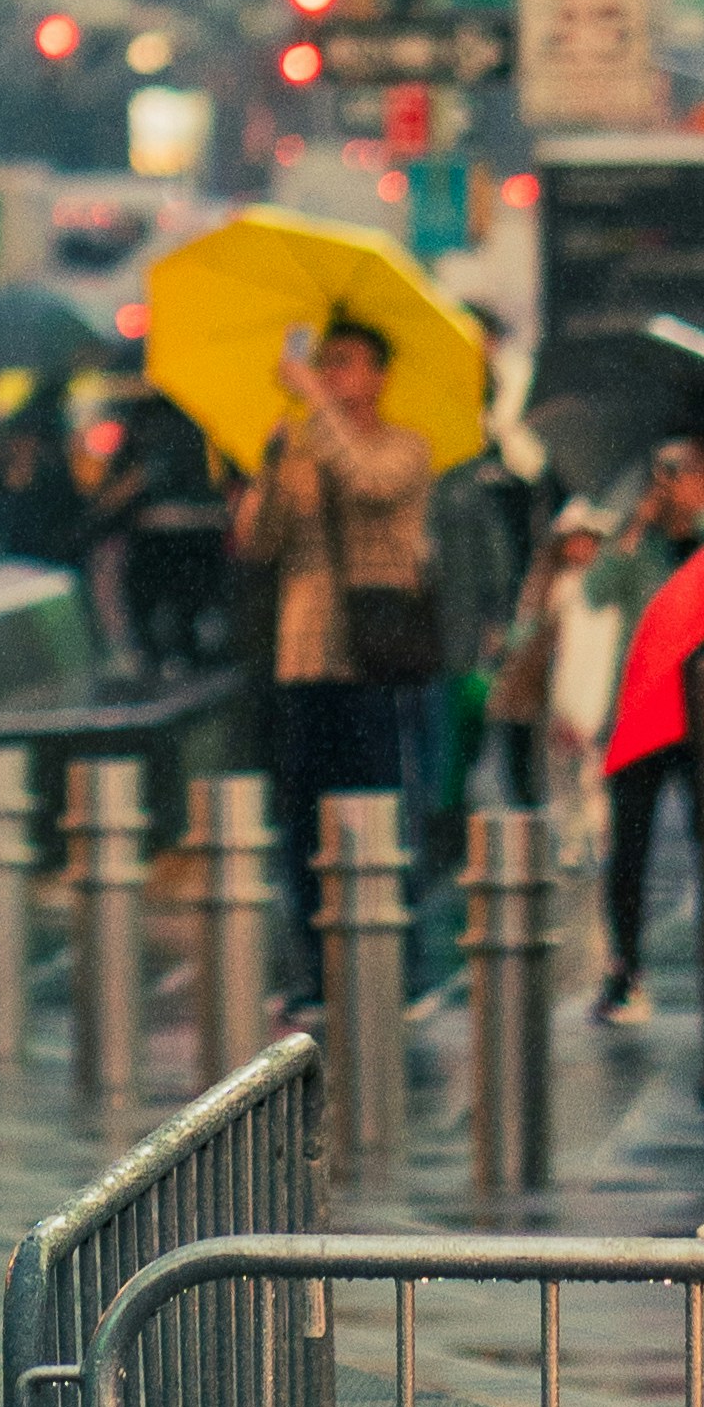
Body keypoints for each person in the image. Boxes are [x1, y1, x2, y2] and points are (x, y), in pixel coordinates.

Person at [232, 316, 442, 997]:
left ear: (378, 375)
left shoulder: (406, 448)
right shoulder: (301, 448)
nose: (331, 375)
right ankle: (315, 966)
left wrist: (316, 411)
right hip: (303, 657)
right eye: (325, 363)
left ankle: (391, 960)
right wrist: (267, 464)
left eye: (346, 362)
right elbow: (257, 542)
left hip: (372, 660)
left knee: (377, 809)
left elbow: (370, 484)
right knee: (302, 821)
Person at [590, 424, 704, 1019]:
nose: (677, 482)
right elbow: (597, 591)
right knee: (629, 846)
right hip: (646, 708)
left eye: (691, 469)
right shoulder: (639, 542)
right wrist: (636, 524)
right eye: (668, 469)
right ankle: (624, 969)